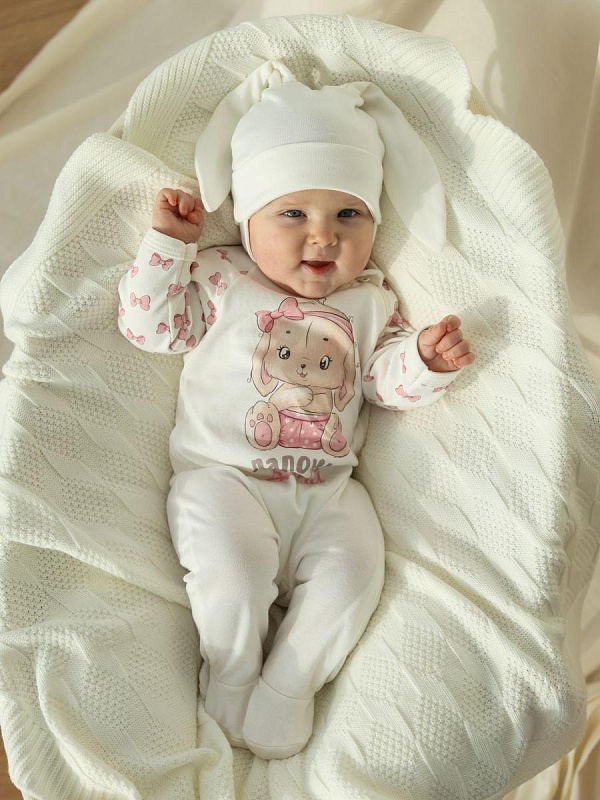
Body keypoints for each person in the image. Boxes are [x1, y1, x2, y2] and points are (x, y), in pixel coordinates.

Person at [117, 63, 476, 760]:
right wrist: (168, 245)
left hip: (327, 490)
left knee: (355, 572)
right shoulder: (223, 276)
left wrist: (425, 362)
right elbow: (150, 327)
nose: (323, 237)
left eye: (349, 215)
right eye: (293, 214)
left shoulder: (371, 300)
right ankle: (232, 672)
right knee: (233, 574)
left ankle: (288, 686)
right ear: (247, 219)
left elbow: (382, 382)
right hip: (225, 480)